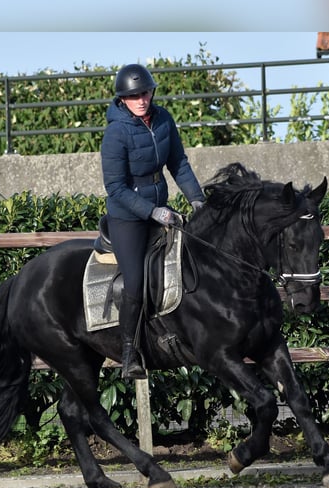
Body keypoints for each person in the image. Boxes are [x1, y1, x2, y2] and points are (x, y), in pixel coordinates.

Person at [100, 63, 206, 379]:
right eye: (133, 96)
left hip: (161, 209)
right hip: (128, 218)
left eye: (144, 93)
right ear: (123, 99)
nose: (141, 99)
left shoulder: (163, 120)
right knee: (134, 281)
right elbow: (115, 187)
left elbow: (178, 164)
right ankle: (130, 354)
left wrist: (197, 199)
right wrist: (152, 211)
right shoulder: (115, 133)